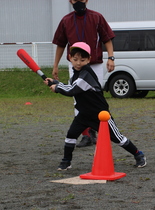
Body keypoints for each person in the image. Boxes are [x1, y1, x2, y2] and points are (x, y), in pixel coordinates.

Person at [44, 42, 146, 170]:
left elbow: (72, 90)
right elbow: (71, 86)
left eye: (82, 60)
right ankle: (66, 161)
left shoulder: (87, 74)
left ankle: (138, 154)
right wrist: (55, 82)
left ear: (89, 60)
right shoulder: (76, 73)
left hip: (101, 115)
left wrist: (57, 87)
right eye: (75, 59)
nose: (78, 63)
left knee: (117, 138)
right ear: (70, 58)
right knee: (71, 136)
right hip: (84, 114)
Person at [52, 0, 116, 148]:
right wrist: (55, 65)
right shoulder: (66, 20)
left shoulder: (97, 17)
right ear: (70, 1)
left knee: (95, 98)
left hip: (95, 64)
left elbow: (107, 38)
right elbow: (61, 44)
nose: (78, 1)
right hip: (75, 65)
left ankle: (99, 130)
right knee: (78, 98)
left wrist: (111, 58)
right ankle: (86, 135)